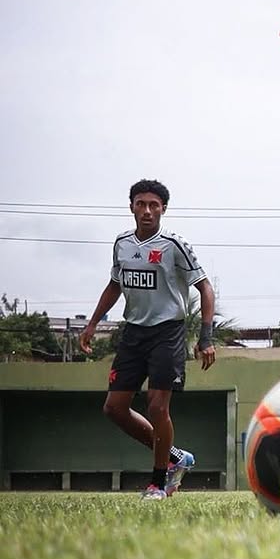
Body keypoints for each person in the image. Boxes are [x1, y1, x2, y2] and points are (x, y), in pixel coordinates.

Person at [80, 179, 216, 500]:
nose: (147, 210)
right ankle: (175, 457)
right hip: (133, 333)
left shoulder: (174, 244)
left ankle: (158, 483)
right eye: (141, 204)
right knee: (114, 408)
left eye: (154, 205)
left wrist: (206, 337)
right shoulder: (121, 243)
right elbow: (115, 285)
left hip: (167, 332)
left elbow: (205, 288)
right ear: (131, 207)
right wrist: (92, 324)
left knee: (157, 405)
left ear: (163, 209)